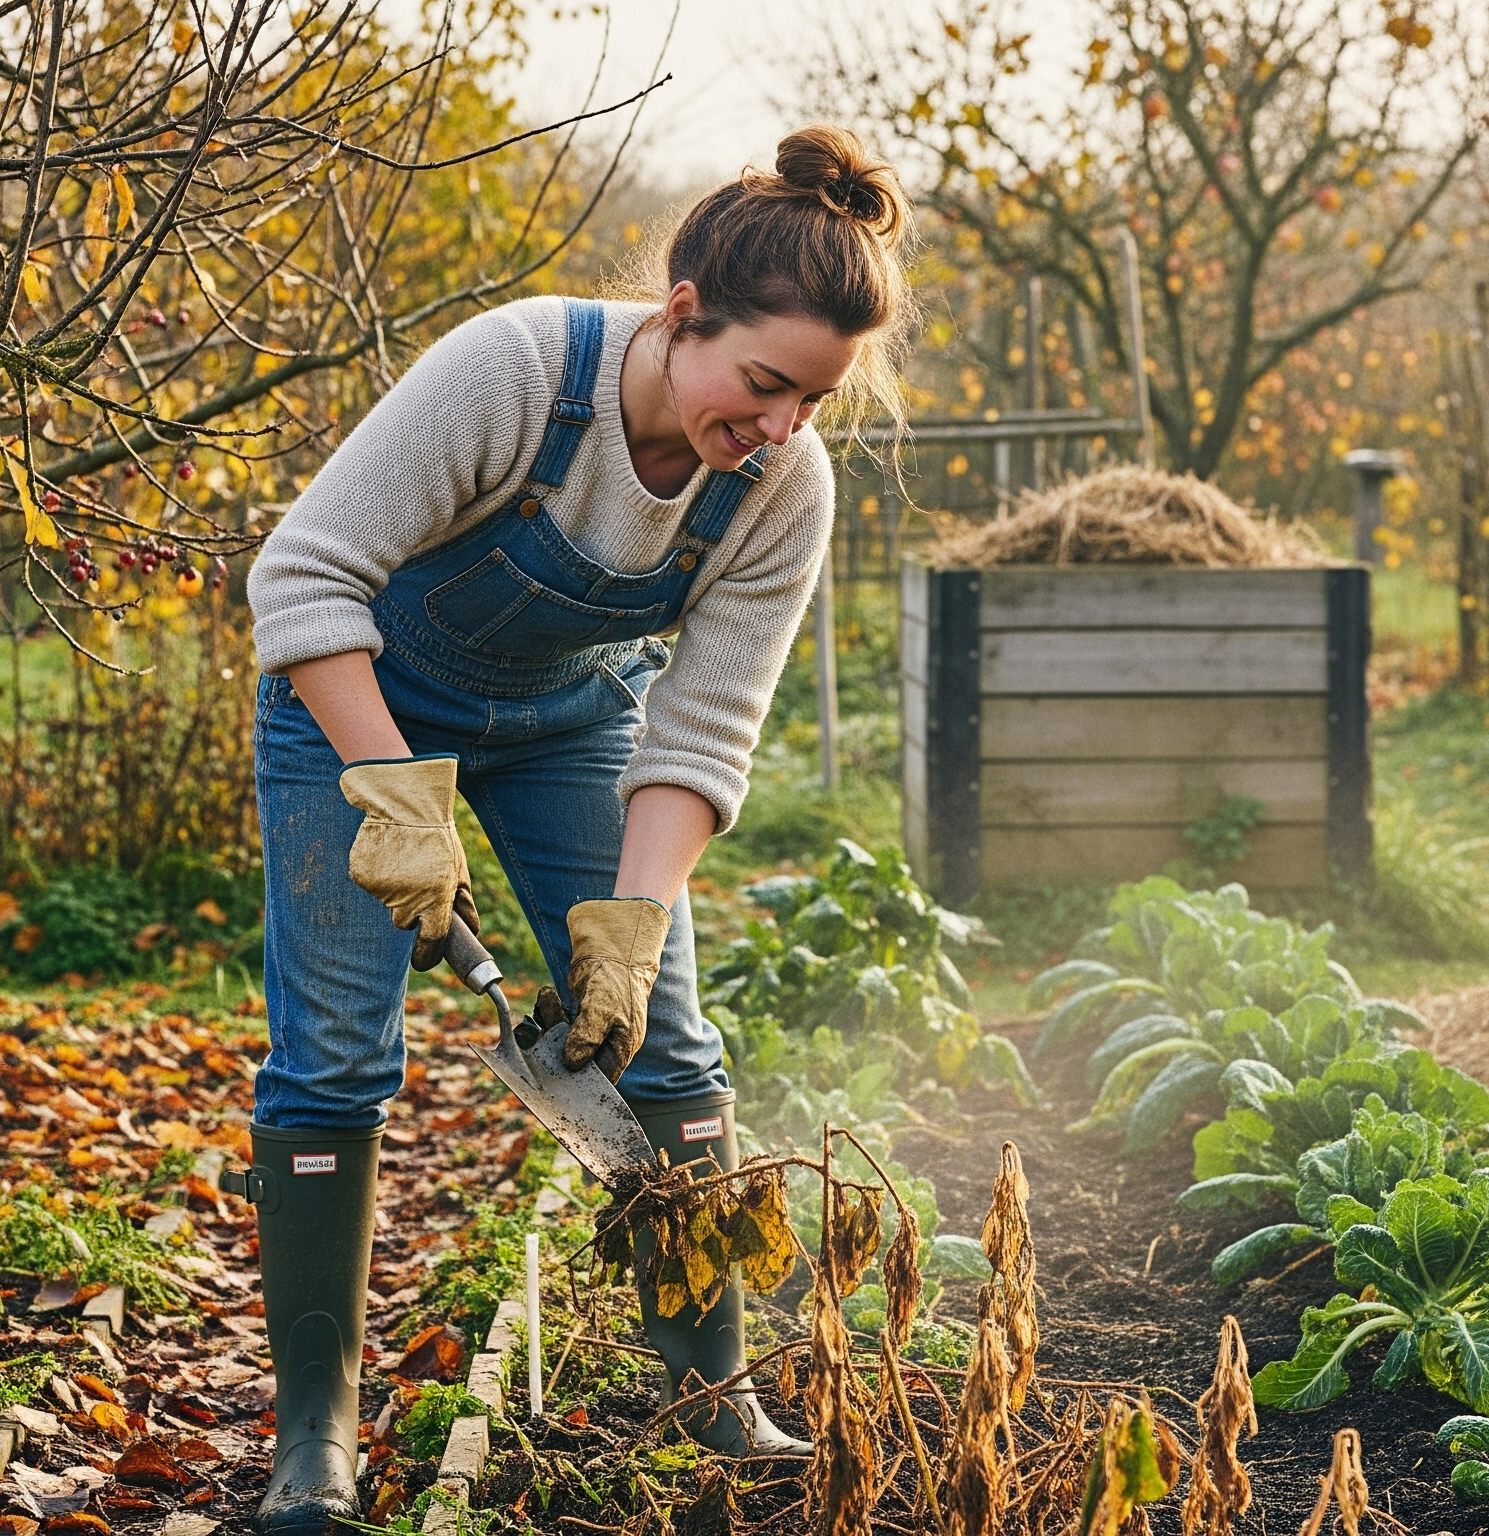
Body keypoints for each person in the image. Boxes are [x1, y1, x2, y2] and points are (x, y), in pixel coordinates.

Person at [237, 125, 913, 1533]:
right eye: (765, 383)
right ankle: (317, 1442)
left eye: (815, 401)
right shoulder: (521, 373)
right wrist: (392, 798)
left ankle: (713, 1391)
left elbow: (703, 726)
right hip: (350, 705)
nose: (781, 425)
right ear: (682, 319)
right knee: (339, 1054)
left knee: (664, 1041)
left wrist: (635, 918)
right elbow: (303, 576)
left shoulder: (782, 490)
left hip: (565, 723)